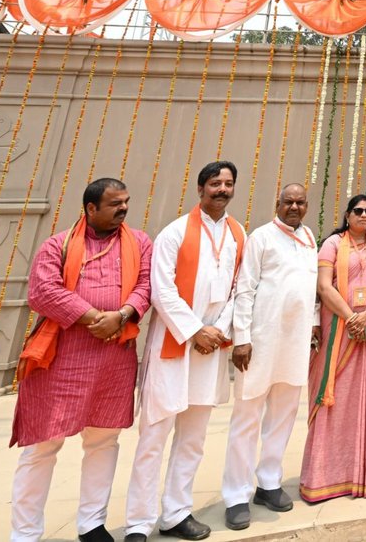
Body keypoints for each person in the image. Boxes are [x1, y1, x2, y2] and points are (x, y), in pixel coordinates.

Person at [10, 178, 153, 542]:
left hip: (114, 358)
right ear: (90, 208)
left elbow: (147, 285)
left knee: (104, 441)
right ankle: (25, 533)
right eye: (114, 204)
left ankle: (91, 523)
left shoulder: (139, 243)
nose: (123, 209)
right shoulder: (57, 245)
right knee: (42, 445)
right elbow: (43, 292)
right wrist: (95, 317)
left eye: (126, 202)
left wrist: (120, 317)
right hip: (62, 357)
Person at [124, 161, 245, 541]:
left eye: (228, 184)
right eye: (215, 183)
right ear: (200, 188)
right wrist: (195, 330)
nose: (221, 189)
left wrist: (218, 330)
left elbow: (239, 289)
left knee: (193, 438)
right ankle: (139, 522)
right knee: (154, 437)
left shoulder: (239, 233)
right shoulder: (175, 232)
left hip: (211, 349)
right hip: (174, 345)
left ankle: (176, 513)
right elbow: (161, 290)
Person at [221, 184, 318, 529]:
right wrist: (241, 338)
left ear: (307, 205)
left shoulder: (309, 237)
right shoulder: (261, 237)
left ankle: (269, 482)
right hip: (260, 342)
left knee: (284, 415)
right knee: (247, 416)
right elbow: (244, 288)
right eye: (288, 201)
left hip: (295, 343)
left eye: (300, 202)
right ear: (277, 203)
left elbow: (310, 287)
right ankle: (235, 495)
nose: (294, 206)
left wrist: (315, 325)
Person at [301, 194, 366, 503]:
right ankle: (322, 478)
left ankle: (359, 474)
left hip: (364, 329)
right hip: (337, 329)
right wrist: (350, 315)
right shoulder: (332, 244)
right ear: (347, 214)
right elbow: (324, 286)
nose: (364, 215)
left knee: (360, 398)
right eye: (358, 210)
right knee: (331, 398)